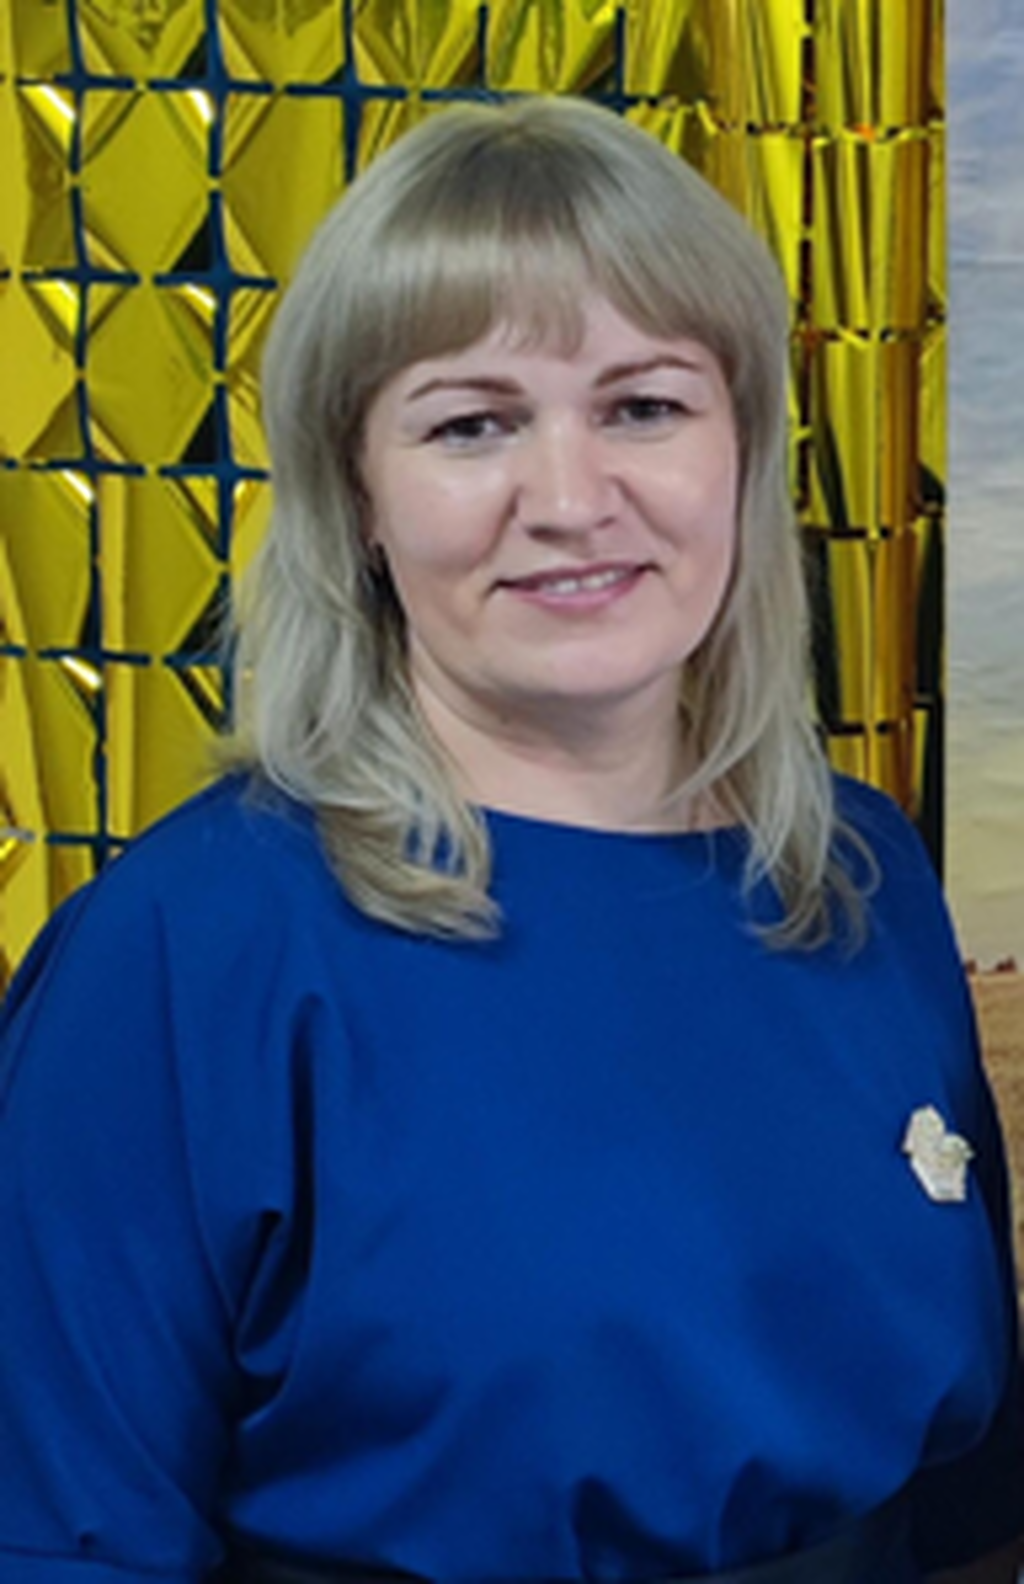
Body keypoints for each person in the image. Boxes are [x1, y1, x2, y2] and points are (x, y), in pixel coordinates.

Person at [0, 96, 1021, 1584]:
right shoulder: (183, 951)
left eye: (644, 406)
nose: (571, 500)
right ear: (355, 495)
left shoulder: (861, 875)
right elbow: (57, 1543)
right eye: (472, 424)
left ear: (745, 452)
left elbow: (970, 1509)